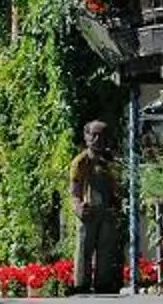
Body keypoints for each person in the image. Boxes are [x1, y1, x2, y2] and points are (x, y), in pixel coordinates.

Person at [67, 118, 126, 293]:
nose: (98, 140)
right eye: (94, 135)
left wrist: (117, 203)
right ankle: (81, 284)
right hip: (88, 211)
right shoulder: (80, 162)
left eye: (102, 136)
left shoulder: (111, 162)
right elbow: (74, 191)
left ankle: (103, 283)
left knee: (105, 249)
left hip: (107, 211)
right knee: (84, 248)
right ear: (86, 137)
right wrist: (78, 206)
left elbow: (117, 186)